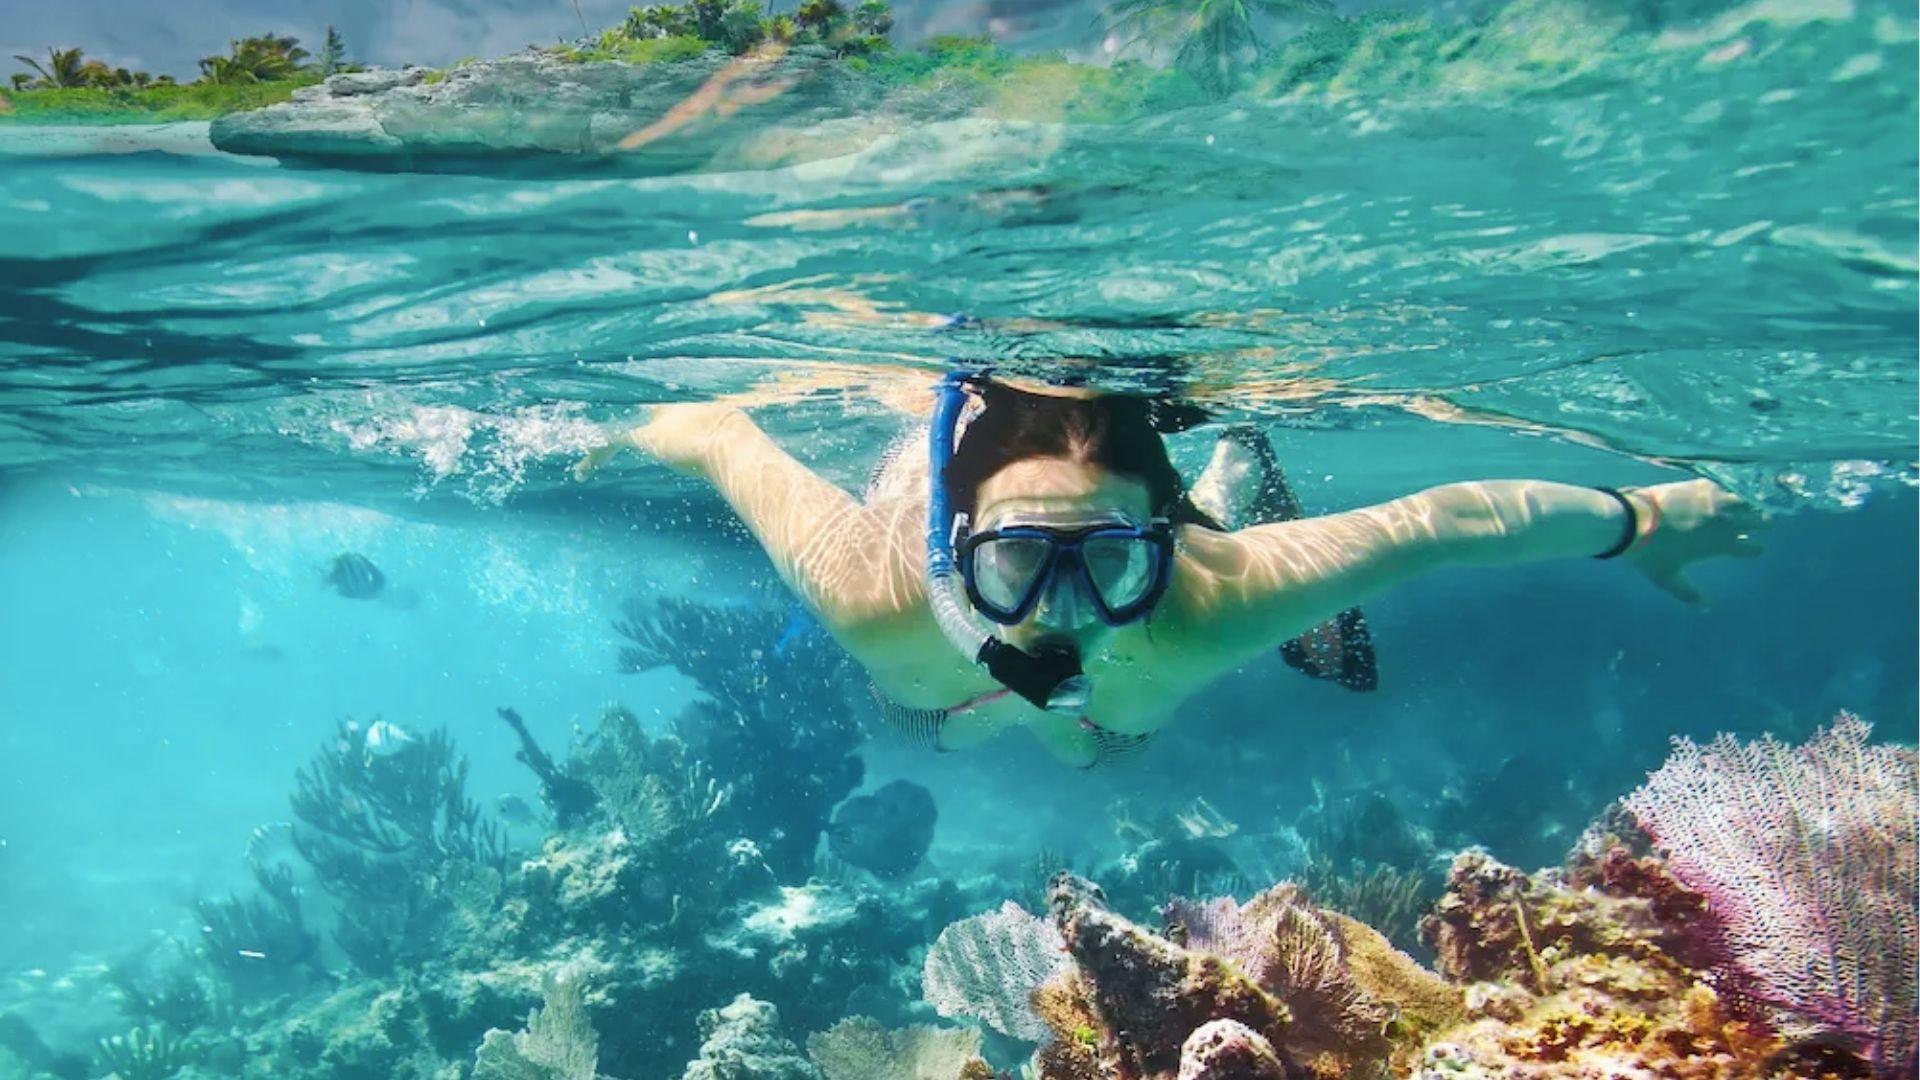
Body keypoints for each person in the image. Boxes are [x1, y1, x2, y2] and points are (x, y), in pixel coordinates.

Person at [577, 376, 1766, 768]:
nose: (1059, 611)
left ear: (1164, 543)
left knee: (1106, 727)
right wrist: (619, 430)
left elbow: (1444, 521)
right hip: (935, 683)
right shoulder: (874, 593)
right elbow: (720, 429)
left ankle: (1228, 480)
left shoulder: (1209, 596)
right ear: (957, 550)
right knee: (935, 713)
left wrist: (1642, 517)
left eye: (1107, 562)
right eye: (1020, 561)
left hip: (1169, 577)